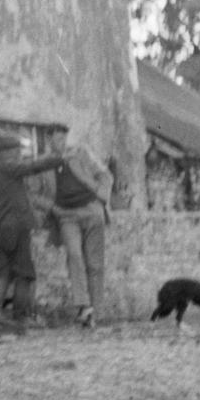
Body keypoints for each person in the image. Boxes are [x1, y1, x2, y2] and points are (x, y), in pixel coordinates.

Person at [0, 129, 66, 325]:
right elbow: (33, 166)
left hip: (1, 227)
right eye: (16, 150)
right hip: (16, 226)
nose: (18, 154)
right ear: (6, 152)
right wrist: (59, 158)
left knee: (6, 270)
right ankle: (21, 315)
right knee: (25, 272)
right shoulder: (9, 167)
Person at [48, 124, 113, 327]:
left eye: (64, 138)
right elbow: (33, 193)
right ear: (49, 140)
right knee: (74, 255)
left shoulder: (81, 154)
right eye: (57, 138)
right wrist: (52, 208)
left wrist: (98, 194)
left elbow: (105, 175)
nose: (62, 142)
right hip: (66, 215)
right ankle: (84, 305)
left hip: (91, 210)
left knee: (95, 263)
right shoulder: (44, 162)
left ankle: (97, 312)